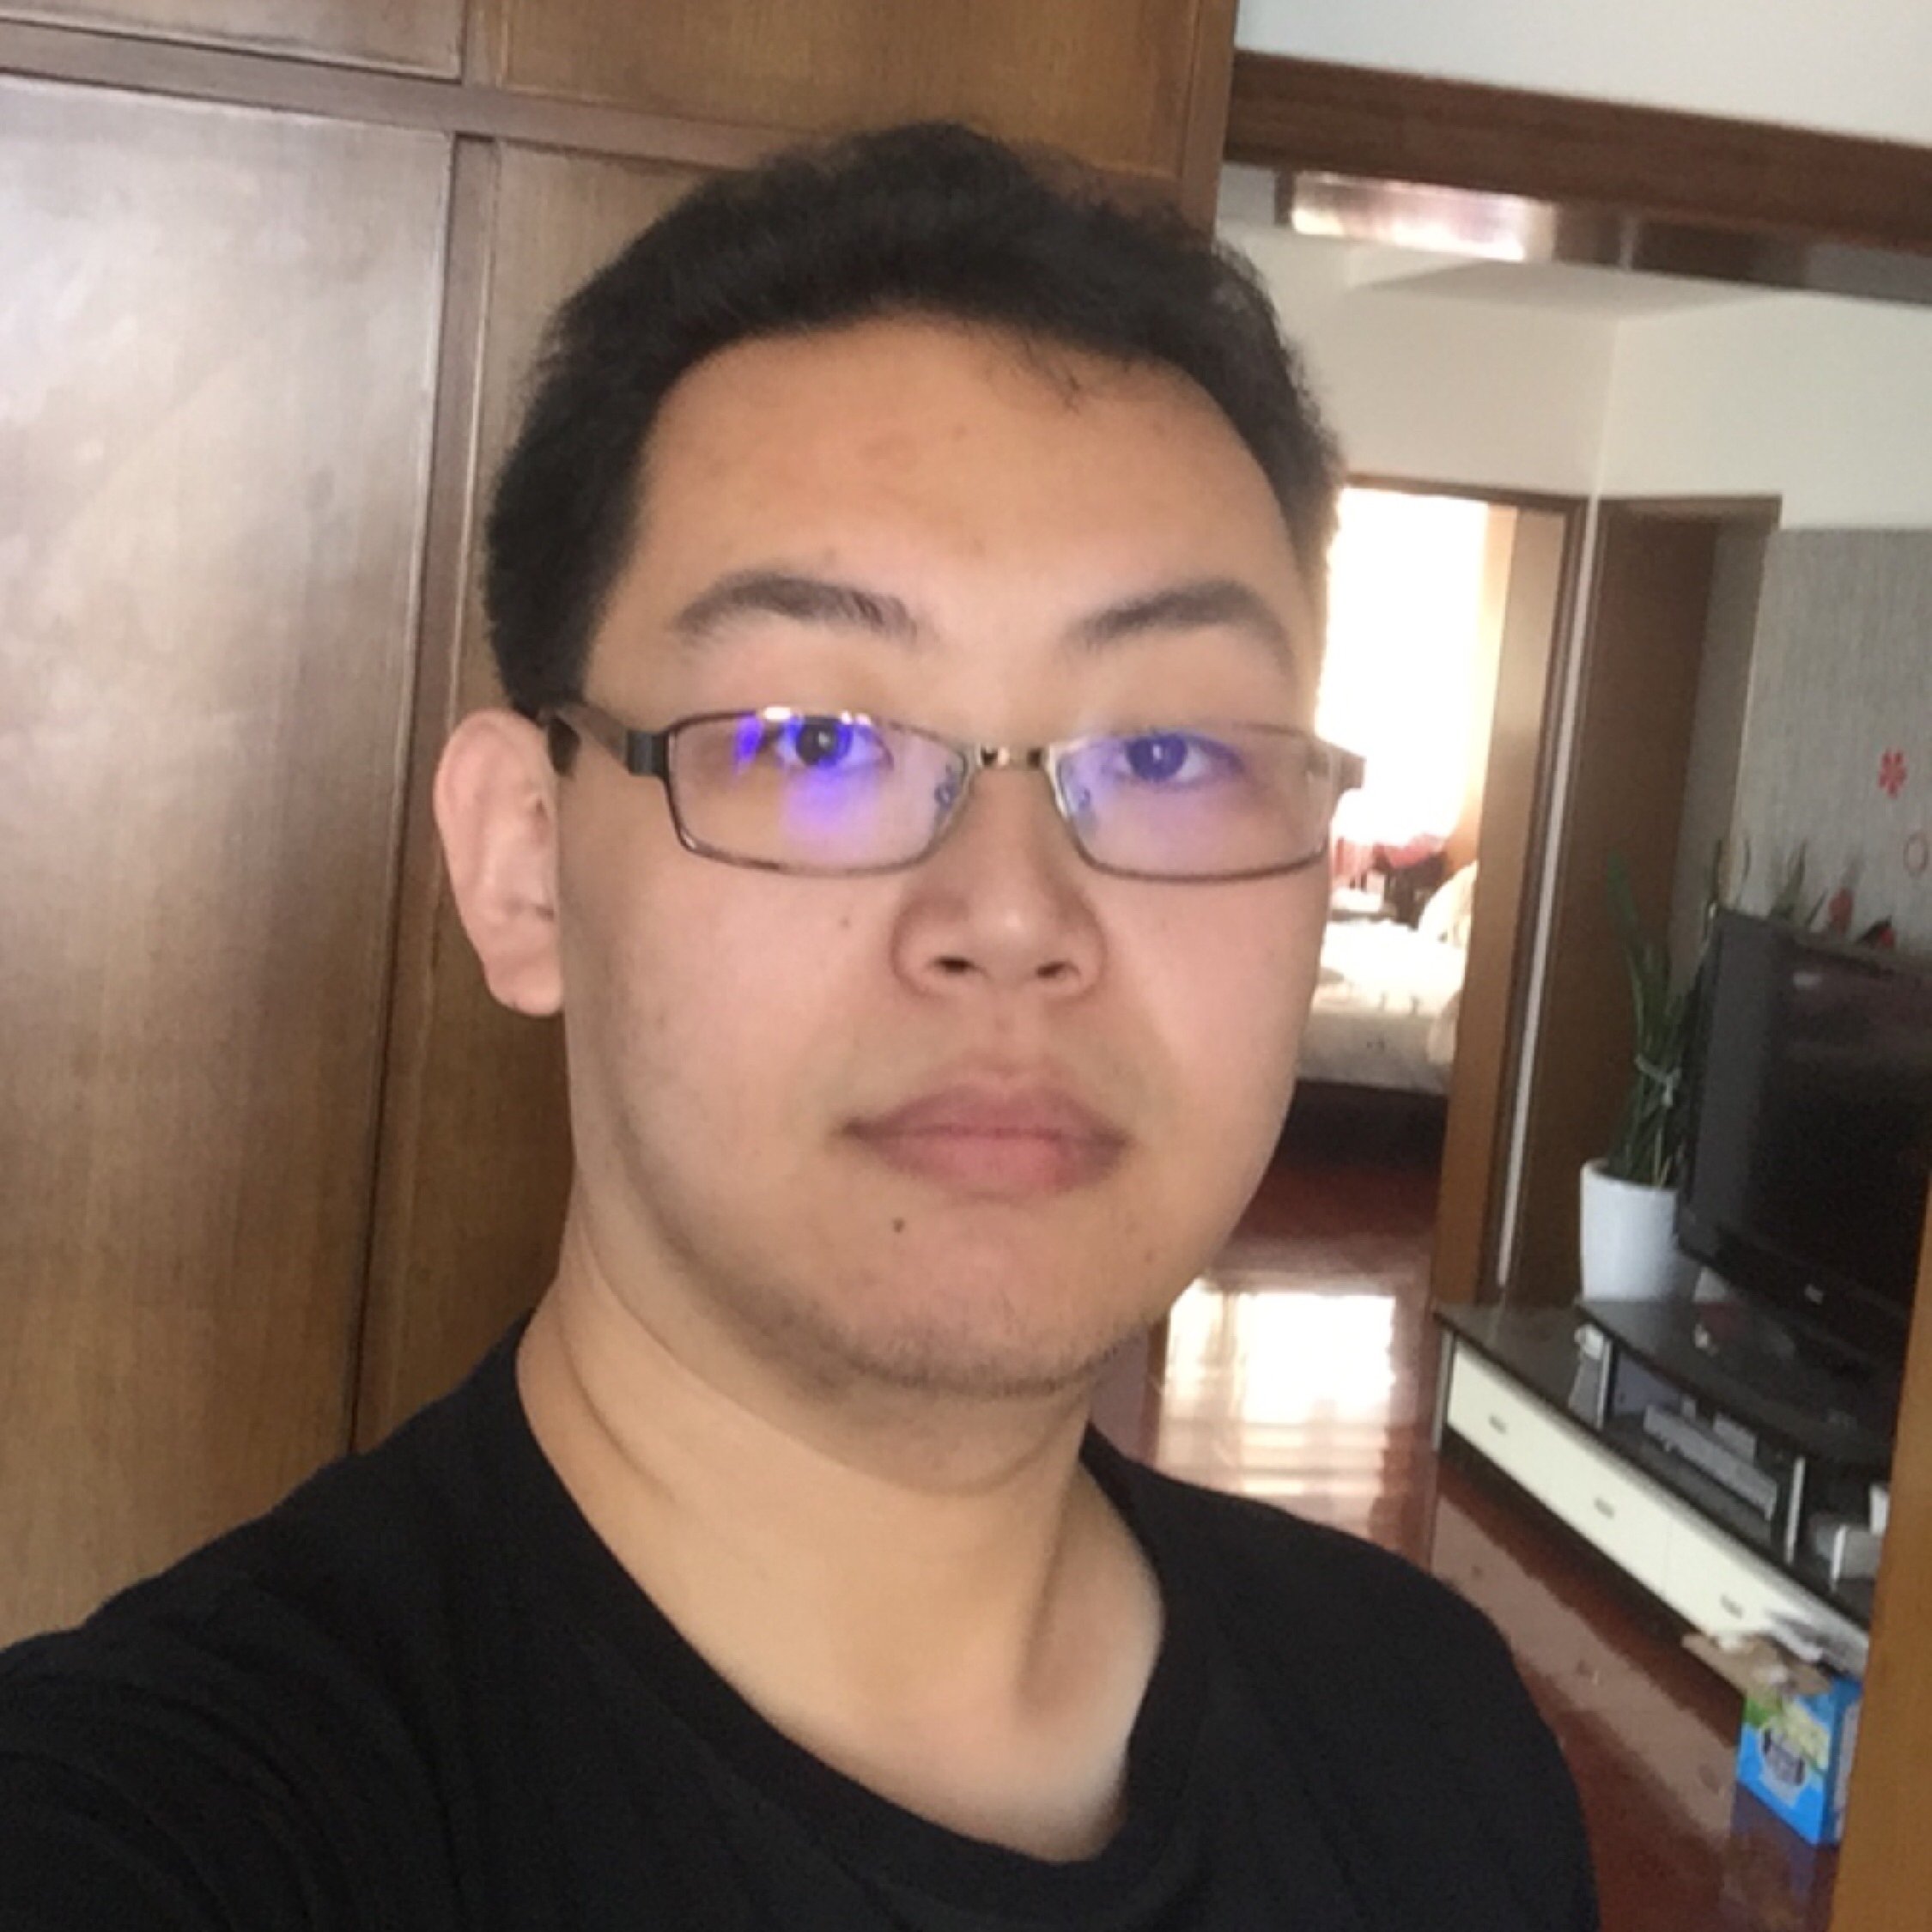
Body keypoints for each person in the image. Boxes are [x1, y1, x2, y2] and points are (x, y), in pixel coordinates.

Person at [0, 123, 1597, 1929]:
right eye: (812, 741)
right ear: (524, 866)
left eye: (1169, 752)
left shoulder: (1433, 1736)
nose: (1012, 918)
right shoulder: (186, 1820)